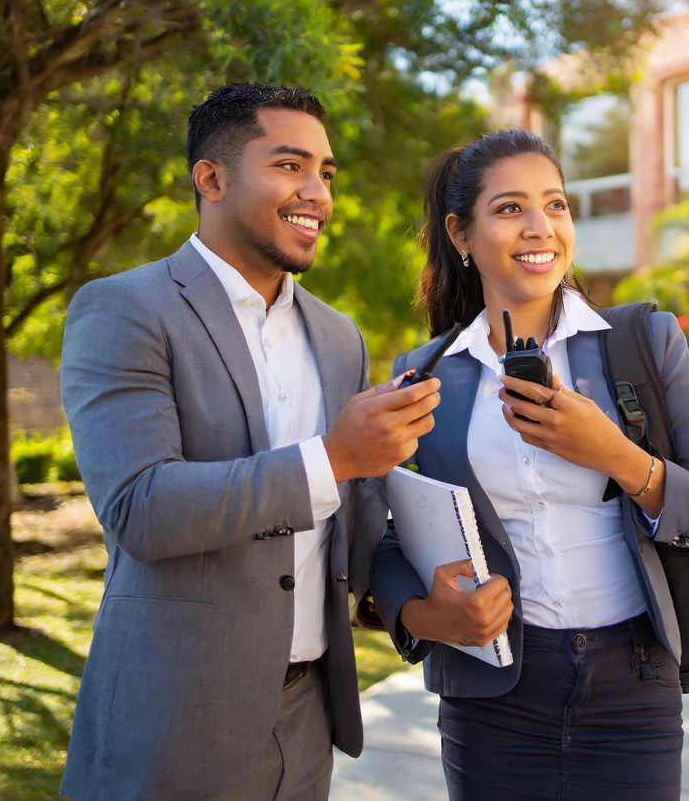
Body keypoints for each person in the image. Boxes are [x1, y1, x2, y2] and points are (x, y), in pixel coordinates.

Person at [58, 82, 441, 801]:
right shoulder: (123, 308)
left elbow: (351, 531)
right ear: (211, 177)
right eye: (290, 165)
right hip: (174, 724)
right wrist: (333, 458)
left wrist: (418, 601)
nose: (317, 193)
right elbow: (141, 508)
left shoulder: (338, 336)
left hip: (307, 726)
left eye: (325, 172)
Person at [369, 128, 689, 800]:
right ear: (460, 235)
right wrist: (424, 614)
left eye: (555, 205)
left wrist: (615, 455)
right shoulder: (423, 375)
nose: (539, 226)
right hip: (490, 692)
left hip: (633, 684)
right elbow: (383, 538)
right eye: (510, 208)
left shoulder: (647, 343)